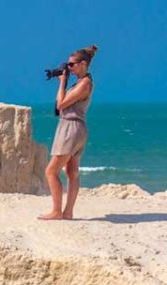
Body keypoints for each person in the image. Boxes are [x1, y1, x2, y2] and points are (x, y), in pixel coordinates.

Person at [38, 44, 98, 221]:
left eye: (72, 64)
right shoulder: (81, 82)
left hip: (71, 128)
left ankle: (57, 211)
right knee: (72, 172)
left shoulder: (85, 83)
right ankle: (68, 212)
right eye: (68, 64)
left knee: (51, 171)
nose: (69, 68)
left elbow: (61, 104)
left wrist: (62, 83)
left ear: (83, 63)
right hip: (76, 128)